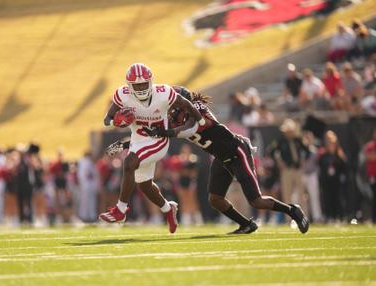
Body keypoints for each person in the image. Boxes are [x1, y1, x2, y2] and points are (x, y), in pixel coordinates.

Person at [108, 87, 309, 234]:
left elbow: (190, 127)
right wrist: (125, 145)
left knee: (256, 201)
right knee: (215, 199)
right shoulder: (174, 118)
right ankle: (247, 224)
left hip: (237, 151)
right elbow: (151, 136)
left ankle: (293, 210)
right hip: (222, 157)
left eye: (174, 106)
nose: (171, 110)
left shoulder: (198, 111)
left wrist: (168, 131)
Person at [99, 63, 204, 234]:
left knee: (129, 162)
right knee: (145, 185)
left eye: (143, 84)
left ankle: (121, 209)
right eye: (137, 85)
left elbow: (186, 104)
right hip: (137, 141)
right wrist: (115, 121)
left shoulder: (163, 93)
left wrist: (201, 120)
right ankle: (168, 209)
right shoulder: (122, 95)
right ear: (129, 86)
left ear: (150, 82)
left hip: (158, 140)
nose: (140, 88)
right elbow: (107, 119)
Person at [268, 119, 310, 216]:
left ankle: (304, 217)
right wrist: (279, 162)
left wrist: (303, 161)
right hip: (286, 170)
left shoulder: (298, 139)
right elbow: (271, 152)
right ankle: (289, 218)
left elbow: (307, 151)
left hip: (298, 170)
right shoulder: (280, 140)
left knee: (301, 194)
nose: (289, 133)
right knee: (287, 195)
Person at [318, 131, 347, 223]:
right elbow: (321, 166)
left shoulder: (339, 154)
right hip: (326, 180)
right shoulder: (323, 154)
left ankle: (340, 216)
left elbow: (344, 167)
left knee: (338, 198)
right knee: (327, 198)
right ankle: (329, 216)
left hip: (337, 180)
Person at [363, 128, 376, 223]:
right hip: (373, 176)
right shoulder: (370, 145)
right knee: (374, 198)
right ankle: (374, 218)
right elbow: (368, 156)